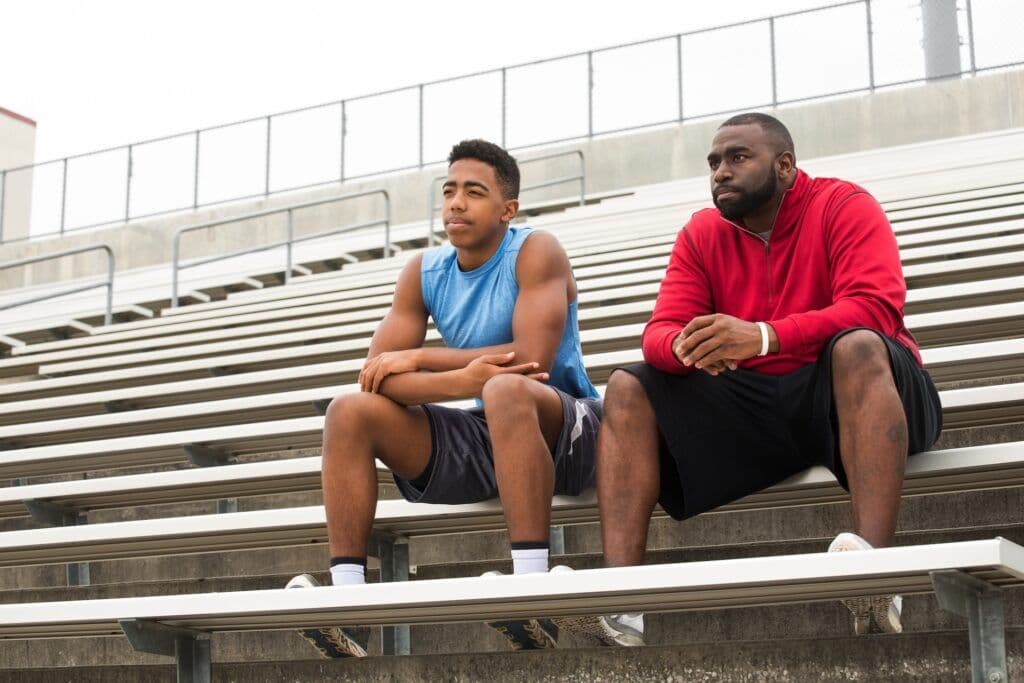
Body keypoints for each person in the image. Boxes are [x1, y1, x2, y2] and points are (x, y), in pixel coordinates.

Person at [558, 112, 942, 645]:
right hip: (760, 407)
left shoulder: (844, 205)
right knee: (627, 386)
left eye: (738, 158)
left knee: (856, 345)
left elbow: (875, 309)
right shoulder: (702, 233)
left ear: (784, 166)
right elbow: (659, 333)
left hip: (863, 388)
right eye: (714, 161)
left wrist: (762, 337)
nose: (720, 171)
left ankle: (874, 576)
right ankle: (624, 604)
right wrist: (689, 348)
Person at [286, 139, 602, 656]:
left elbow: (530, 361)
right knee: (350, 411)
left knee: (505, 388)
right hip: (490, 428)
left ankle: (532, 593)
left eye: (474, 192)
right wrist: (460, 381)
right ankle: (349, 606)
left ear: (508, 209)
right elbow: (377, 377)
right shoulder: (423, 272)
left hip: (568, 430)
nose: (456, 202)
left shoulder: (535, 250)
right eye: (449, 190)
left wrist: (425, 359)